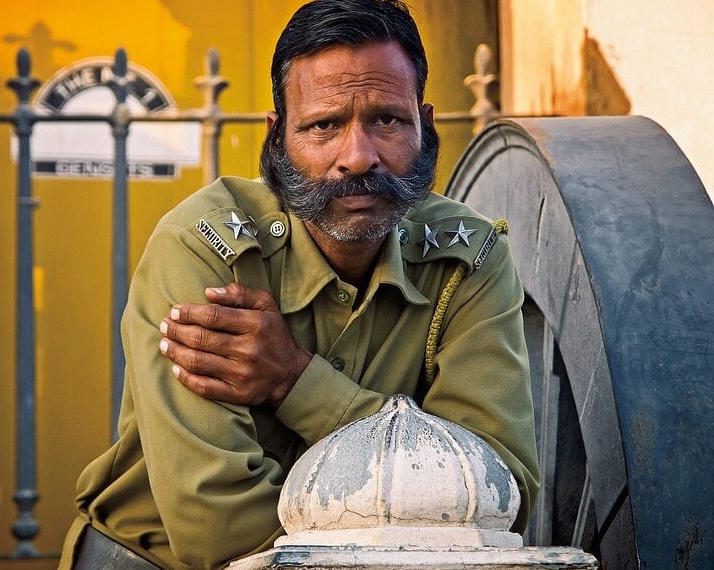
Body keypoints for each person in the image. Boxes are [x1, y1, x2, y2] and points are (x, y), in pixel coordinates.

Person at [59, 1, 540, 568]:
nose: (358, 158)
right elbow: (218, 525)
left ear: (425, 125)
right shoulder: (202, 248)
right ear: (277, 136)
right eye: (322, 126)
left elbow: (494, 492)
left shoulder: (470, 258)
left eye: (387, 119)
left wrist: (295, 380)